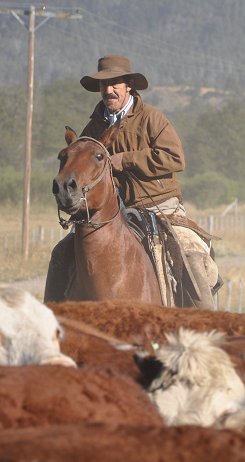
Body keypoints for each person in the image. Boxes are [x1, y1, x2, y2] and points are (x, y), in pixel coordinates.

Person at [45, 54, 219, 308]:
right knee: (61, 254)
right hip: (112, 211)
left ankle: (204, 327)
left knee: (190, 257)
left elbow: (175, 158)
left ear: (128, 86)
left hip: (159, 206)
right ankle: (53, 322)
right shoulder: (93, 128)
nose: (109, 90)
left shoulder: (151, 118)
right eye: (104, 85)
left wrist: (126, 160)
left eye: (115, 83)